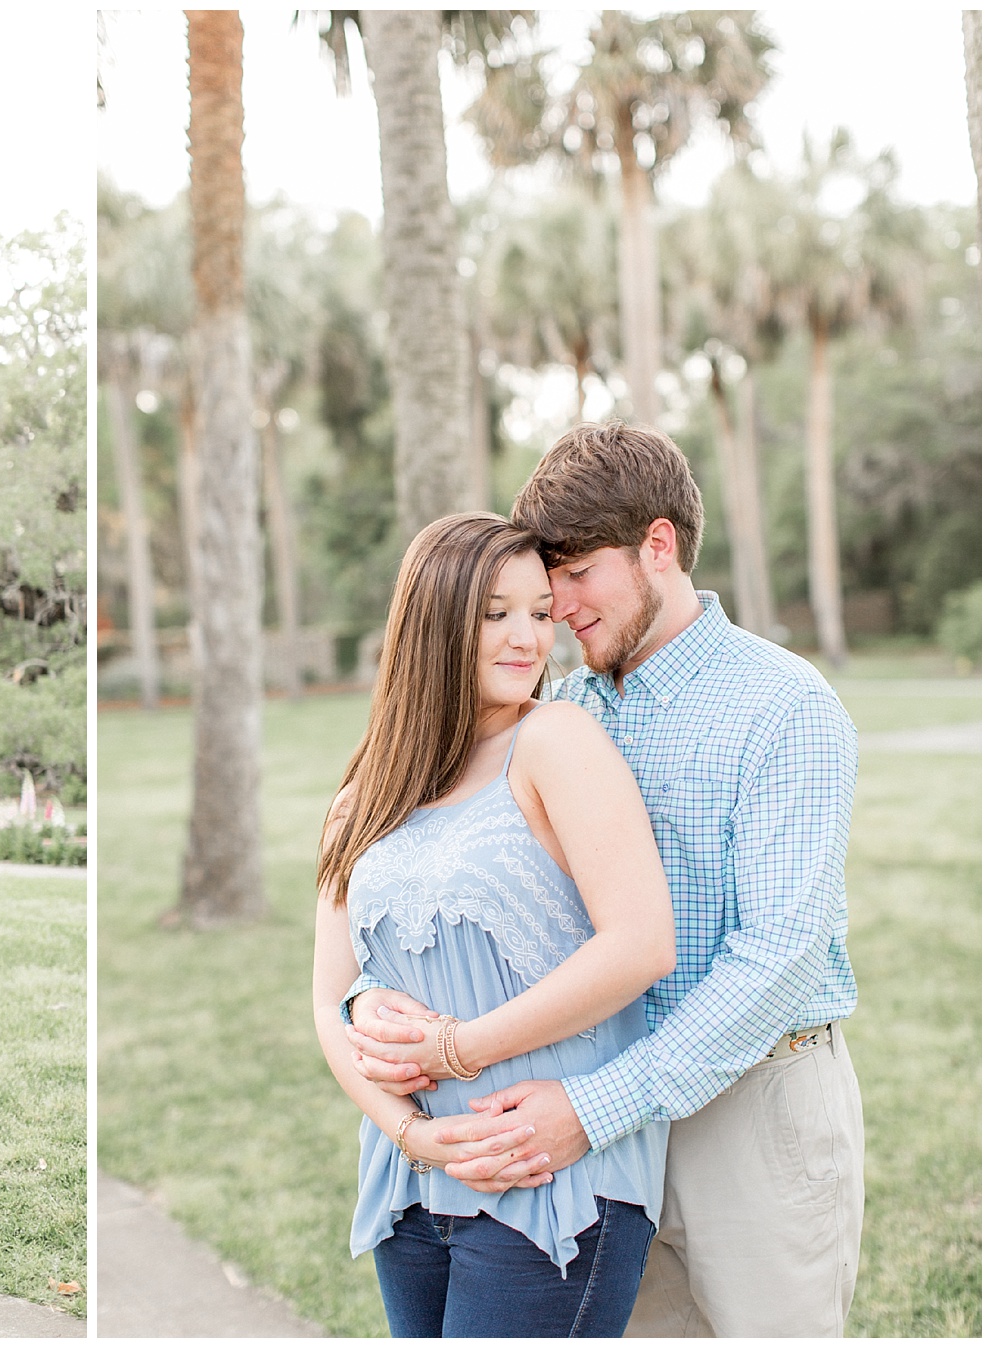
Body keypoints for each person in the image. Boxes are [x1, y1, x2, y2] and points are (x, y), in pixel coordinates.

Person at [348, 422, 864, 1337]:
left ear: (657, 546)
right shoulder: (560, 707)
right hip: (586, 1114)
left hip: (748, 1107)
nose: (556, 602)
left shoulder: (784, 705)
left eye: (577, 571)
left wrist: (597, 1106)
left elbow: (778, 957)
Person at [314, 510, 678, 1336]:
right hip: (412, 1181)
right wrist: (411, 1133)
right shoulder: (361, 799)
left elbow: (641, 942)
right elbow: (327, 1002)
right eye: (495, 613)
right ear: (433, 621)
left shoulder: (556, 740)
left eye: (541, 613)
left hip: (547, 1173)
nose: (529, 638)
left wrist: (457, 1049)